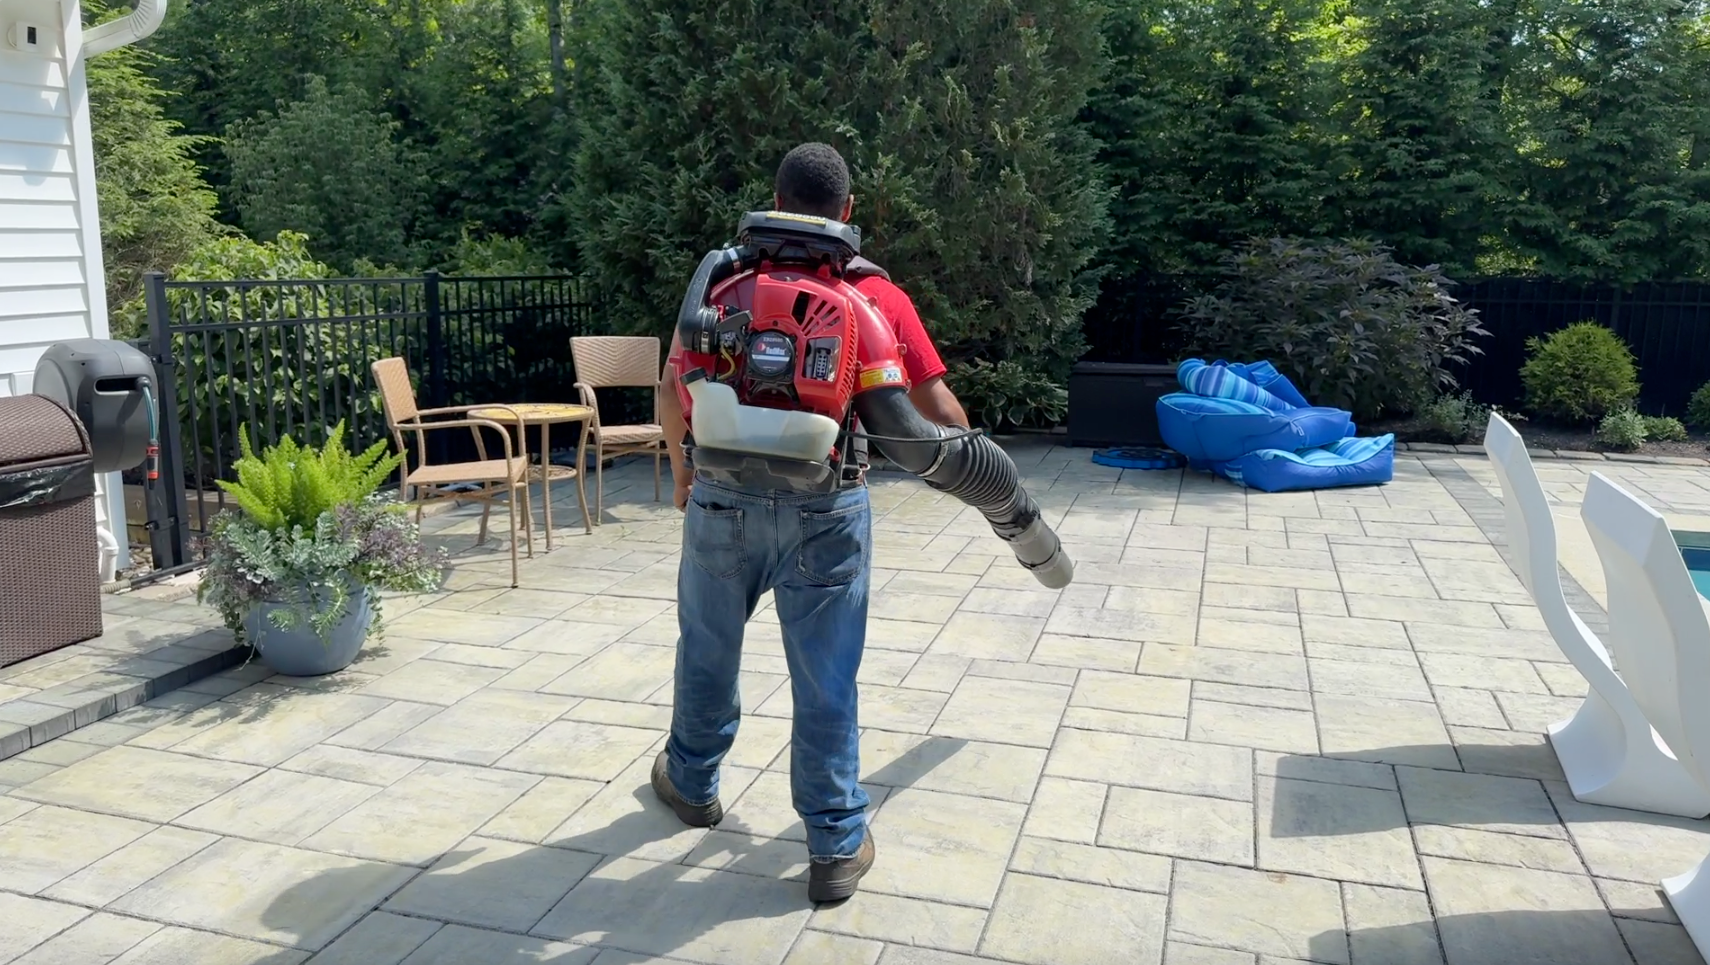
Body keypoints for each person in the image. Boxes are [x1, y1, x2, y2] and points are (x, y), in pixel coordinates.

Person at [651, 142, 969, 903]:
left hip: (720, 498)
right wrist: (979, 470)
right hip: (828, 505)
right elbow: (930, 408)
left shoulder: (722, 284)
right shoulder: (875, 298)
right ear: (846, 213)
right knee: (825, 677)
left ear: (775, 198)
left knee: (706, 647)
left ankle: (691, 782)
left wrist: (684, 469)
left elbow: (672, 384)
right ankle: (833, 840)